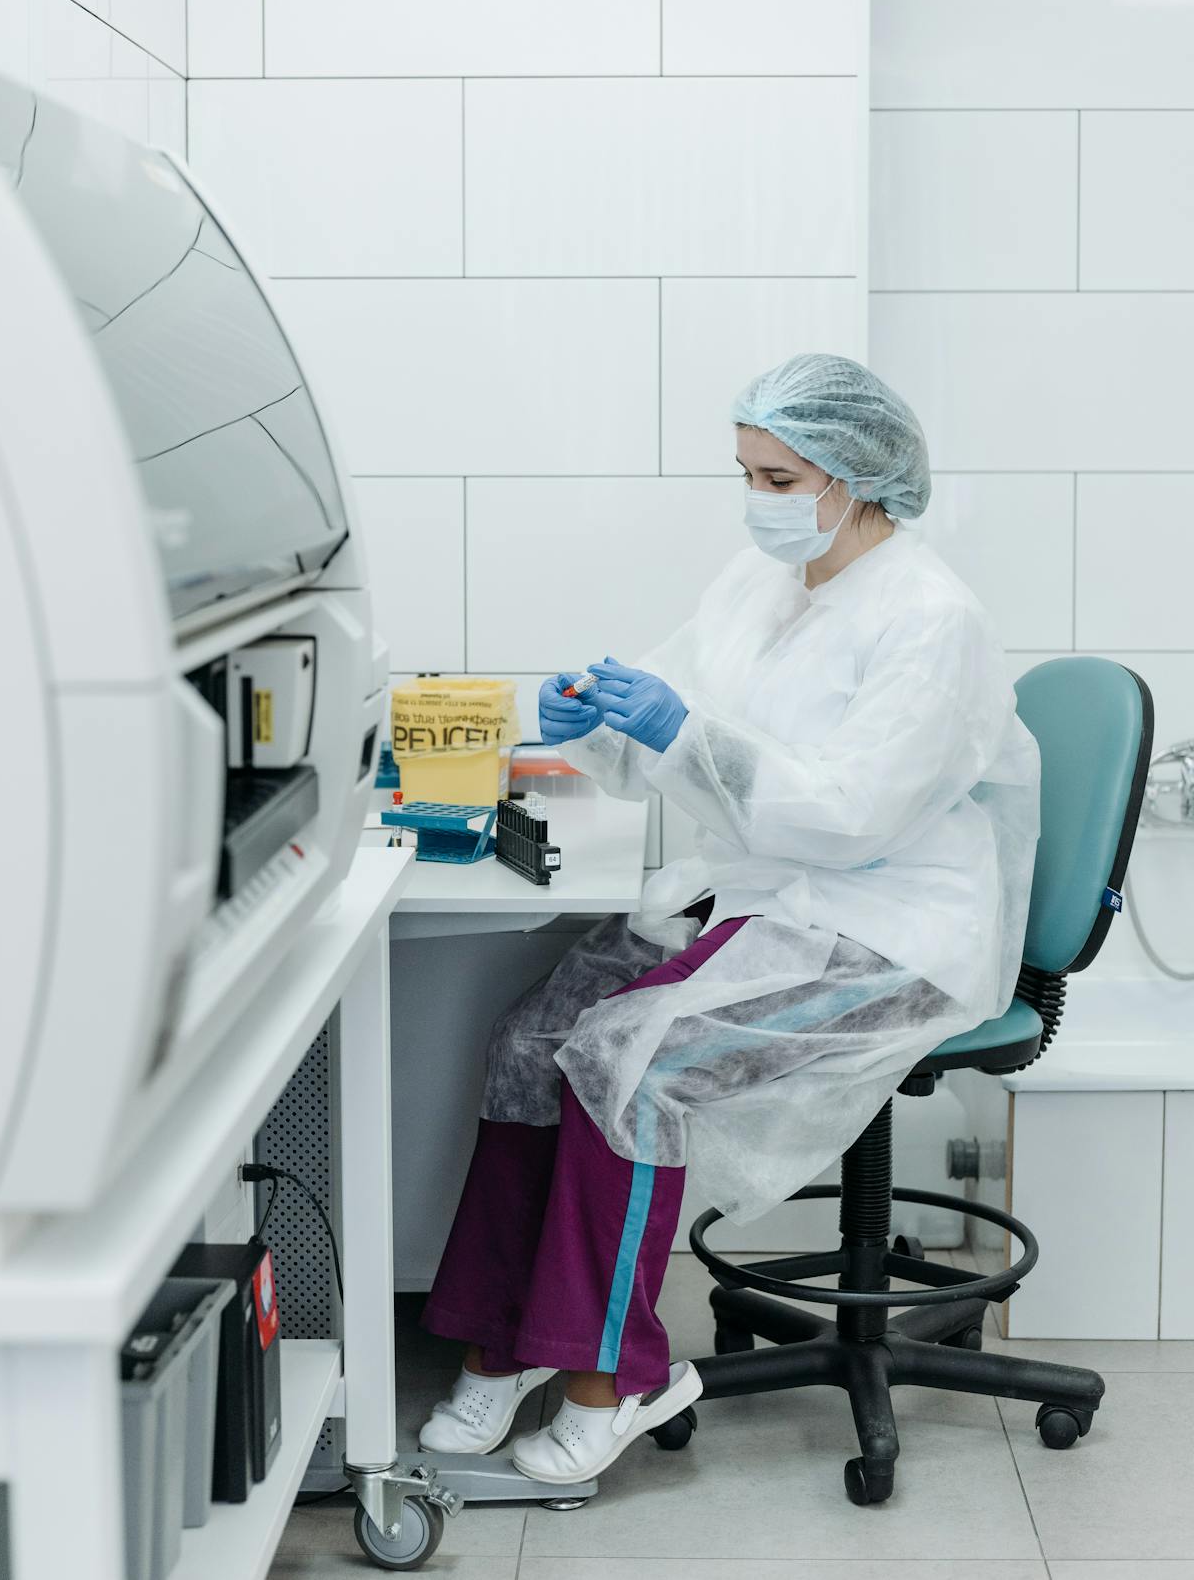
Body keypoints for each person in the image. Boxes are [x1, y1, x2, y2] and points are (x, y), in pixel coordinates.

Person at [417, 353, 1040, 1486]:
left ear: (856, 477)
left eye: (780, 476)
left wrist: (679, 734)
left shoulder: (928, 618)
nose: (760, 500)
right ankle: (502, 1340)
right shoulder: (762, 587)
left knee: (629, 1065)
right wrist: (592, 722)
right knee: (527, 1043)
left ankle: (617, 1375)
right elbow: (667, 710)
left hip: (889, 925)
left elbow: (851, 813)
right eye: (748, 473)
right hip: (767, 891)